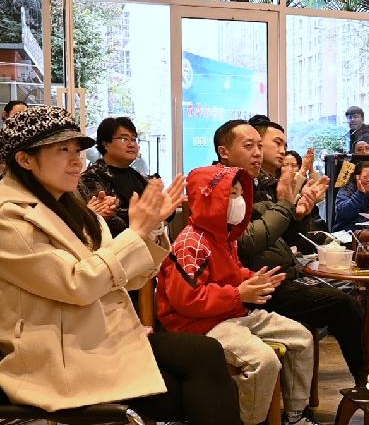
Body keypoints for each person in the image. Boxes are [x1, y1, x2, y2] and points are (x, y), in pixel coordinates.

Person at [0, 105, 240, 424]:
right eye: (62, 150)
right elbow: (78, 284)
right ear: (25, 159)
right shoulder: (9, 217)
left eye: (77, 150)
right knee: (195, 390)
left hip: (98, 336)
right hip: (58, 354)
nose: (77, 161)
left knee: (205, 353)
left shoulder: (75, 209)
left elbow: (130, 279)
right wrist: (136, 232)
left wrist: (152, 228)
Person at [157, 164, 317, 425]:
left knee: (301, 337)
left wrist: (253, 280)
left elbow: (231, 273)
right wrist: (238, 294)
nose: (240, 201)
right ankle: (248, 420)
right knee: (263, 361)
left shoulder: (225, 235)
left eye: (242, 194)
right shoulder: (190, 243)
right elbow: (187, 300)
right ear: (211, 198)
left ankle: (296, 414)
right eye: (232, 194)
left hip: (233, 313)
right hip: (199, 325)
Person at [216, 116, 368, 383]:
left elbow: (285, 238)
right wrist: (286, 206)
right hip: (255, 287)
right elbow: (246, 243)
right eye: (251, 146)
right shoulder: (220, 187)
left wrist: (300, 214)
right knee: (342, 305)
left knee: (356, 297)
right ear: (224, 152)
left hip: (278, 276)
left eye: (259, 146)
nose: (258, 153)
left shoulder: (259, 185)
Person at [78, 117, 150, 237]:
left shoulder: (138, 176)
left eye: (134, 139)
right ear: (105, 144)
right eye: (124, 139)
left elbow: (164, 214)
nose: (132, 144)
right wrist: (148, 216)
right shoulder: (91, 178)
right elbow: (111, 223)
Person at [281, 149, 328, 255]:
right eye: (285, 165)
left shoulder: (304, 182)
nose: (289, 168)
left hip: (311, 229)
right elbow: (290, 198)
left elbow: (320, 196)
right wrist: (303, 169)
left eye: (294, 165)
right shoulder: (278, 184)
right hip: (291, 234)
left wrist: (310, 168)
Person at [333, 161, 369, 232]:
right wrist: (360, 194)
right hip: (345, 235)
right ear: (357, 177)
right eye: (365, 177)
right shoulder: (346, 191)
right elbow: (345, 213)